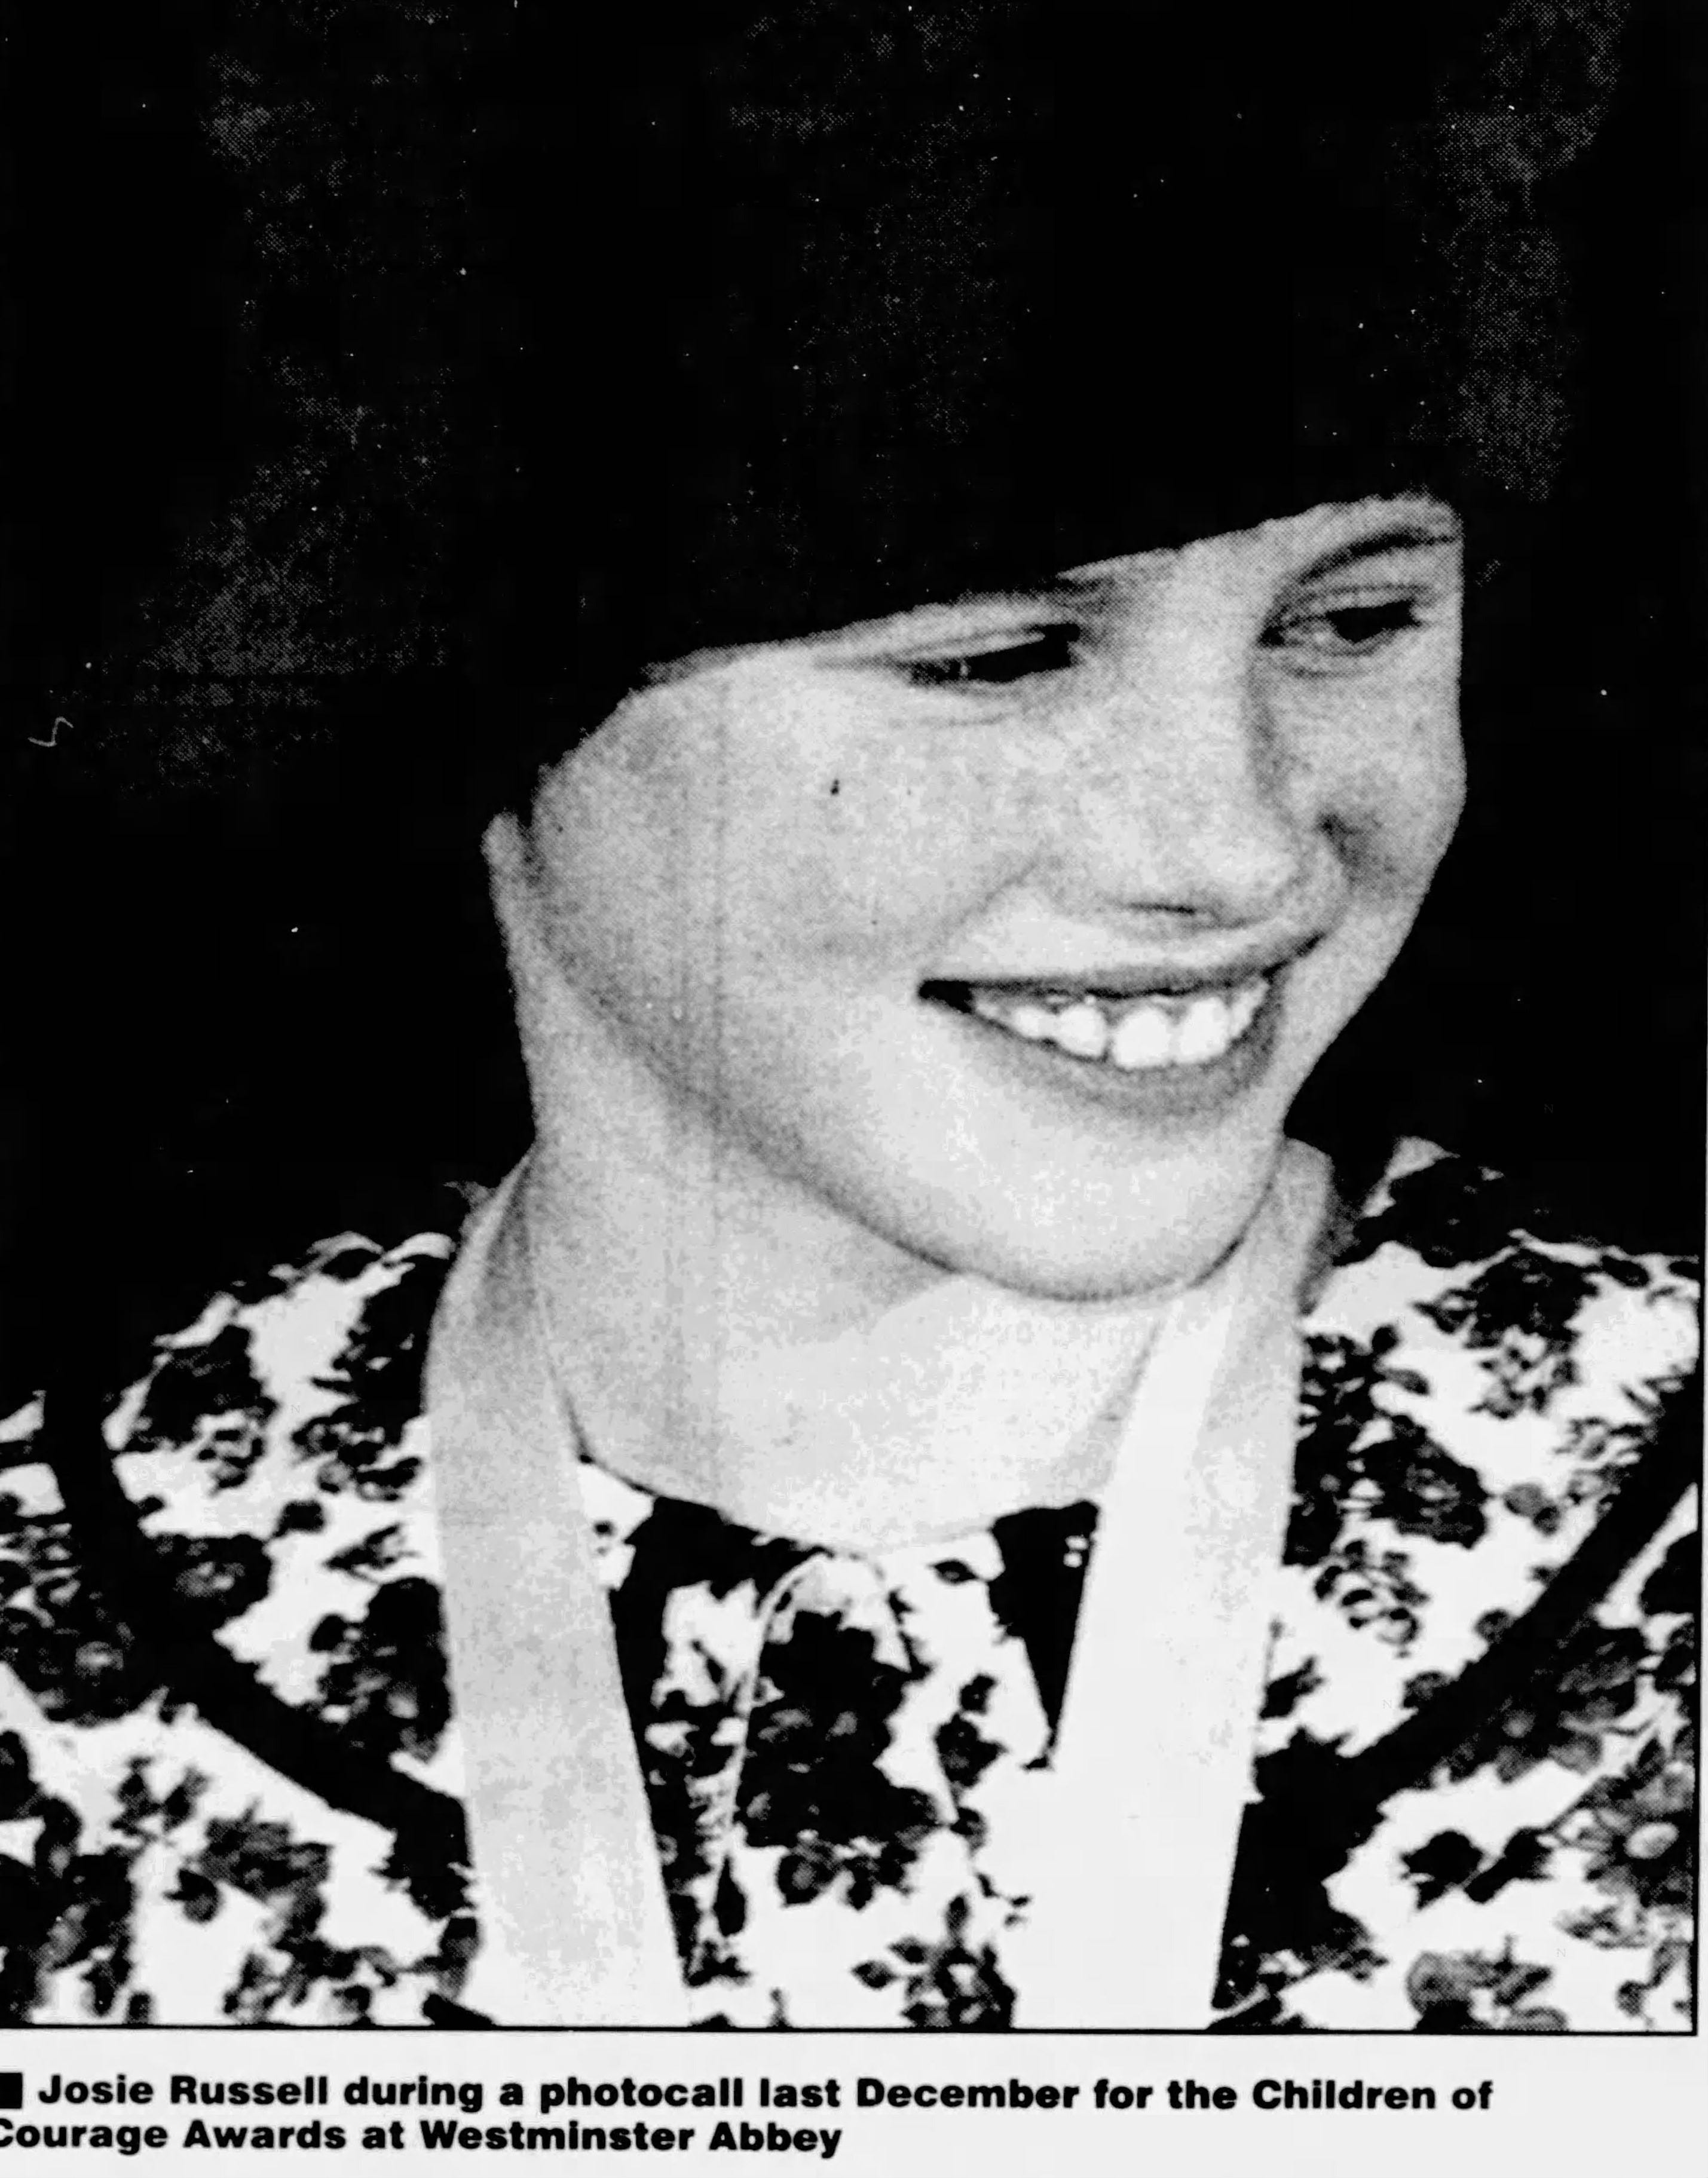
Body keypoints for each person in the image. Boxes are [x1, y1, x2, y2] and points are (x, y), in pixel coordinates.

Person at [1, 2, 1697, 2030]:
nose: (1237, 848)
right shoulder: (64, 1633)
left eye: (1349, 622)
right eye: (994, 661)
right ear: (482, 698)